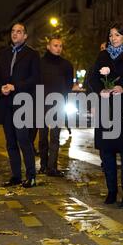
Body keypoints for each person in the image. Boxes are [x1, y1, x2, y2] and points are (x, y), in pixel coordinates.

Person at [90, 23, 123, 208]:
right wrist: (101, 90)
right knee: (106, 153)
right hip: (106, 109)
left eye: (117, 35)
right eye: (111, 35)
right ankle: (112, 191)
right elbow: (92, 78)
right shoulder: (103, 55)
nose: (113, 38)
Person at [0, 22, 40, 188]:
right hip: (6, 103)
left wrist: (15, 86)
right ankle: (16, 176)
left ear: (25, 36)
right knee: (10, 141)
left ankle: (31, 176)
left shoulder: (32, 54)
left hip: (23, 103)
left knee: (24, 140)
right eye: (13, 31)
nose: (15, 34)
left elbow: (35, 79)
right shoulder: (3, 54)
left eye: (19, 32)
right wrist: (1, 87)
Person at [38, 36, 73, 177]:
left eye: (60, 46)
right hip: (41, 103)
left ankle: (52, 167)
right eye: (55, 45)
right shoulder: (39, 64)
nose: (58, 48)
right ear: (48, 46)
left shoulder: (66, 65)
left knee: (55, 136)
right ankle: (43, 165)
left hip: (58, 103)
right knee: (42, 137)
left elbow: (69, 84)